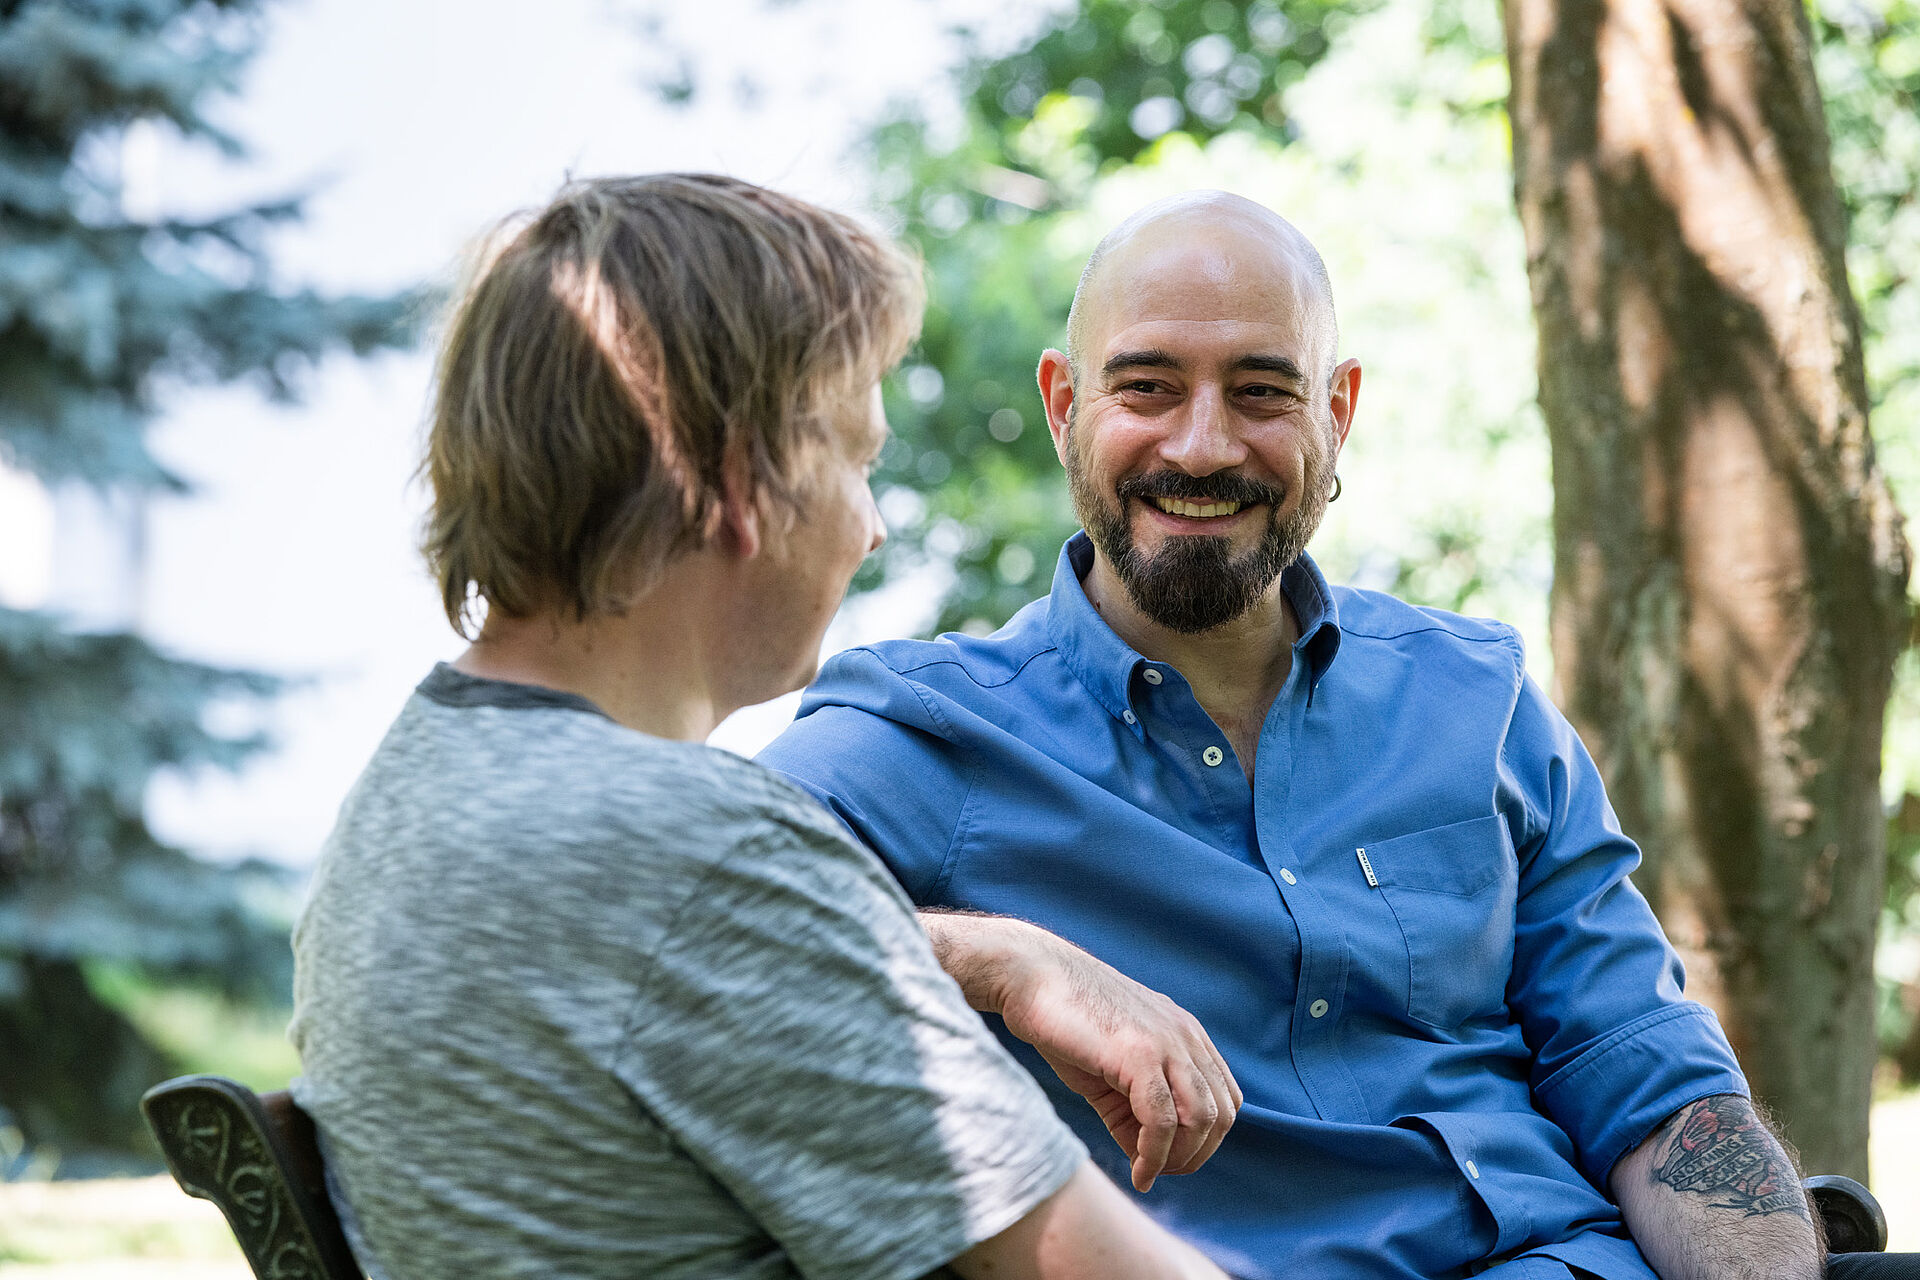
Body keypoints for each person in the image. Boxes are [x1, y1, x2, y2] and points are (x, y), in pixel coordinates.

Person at [759, 191, 1888, 1280]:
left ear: (1337, 411)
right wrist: (1004, 959)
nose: (1201, 446)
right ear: (1064, 406)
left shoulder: (1479, 702)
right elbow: (652, 901)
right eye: (1147, 386)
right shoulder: (928, 730)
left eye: (1262, 391)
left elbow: (1648, 1082)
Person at [288, 174, 1229, 1280]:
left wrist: (988, 952)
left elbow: (644, 948)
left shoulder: (417, 782)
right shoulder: (702, 847)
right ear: (743, 476)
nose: (872, 529)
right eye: (859, 460)